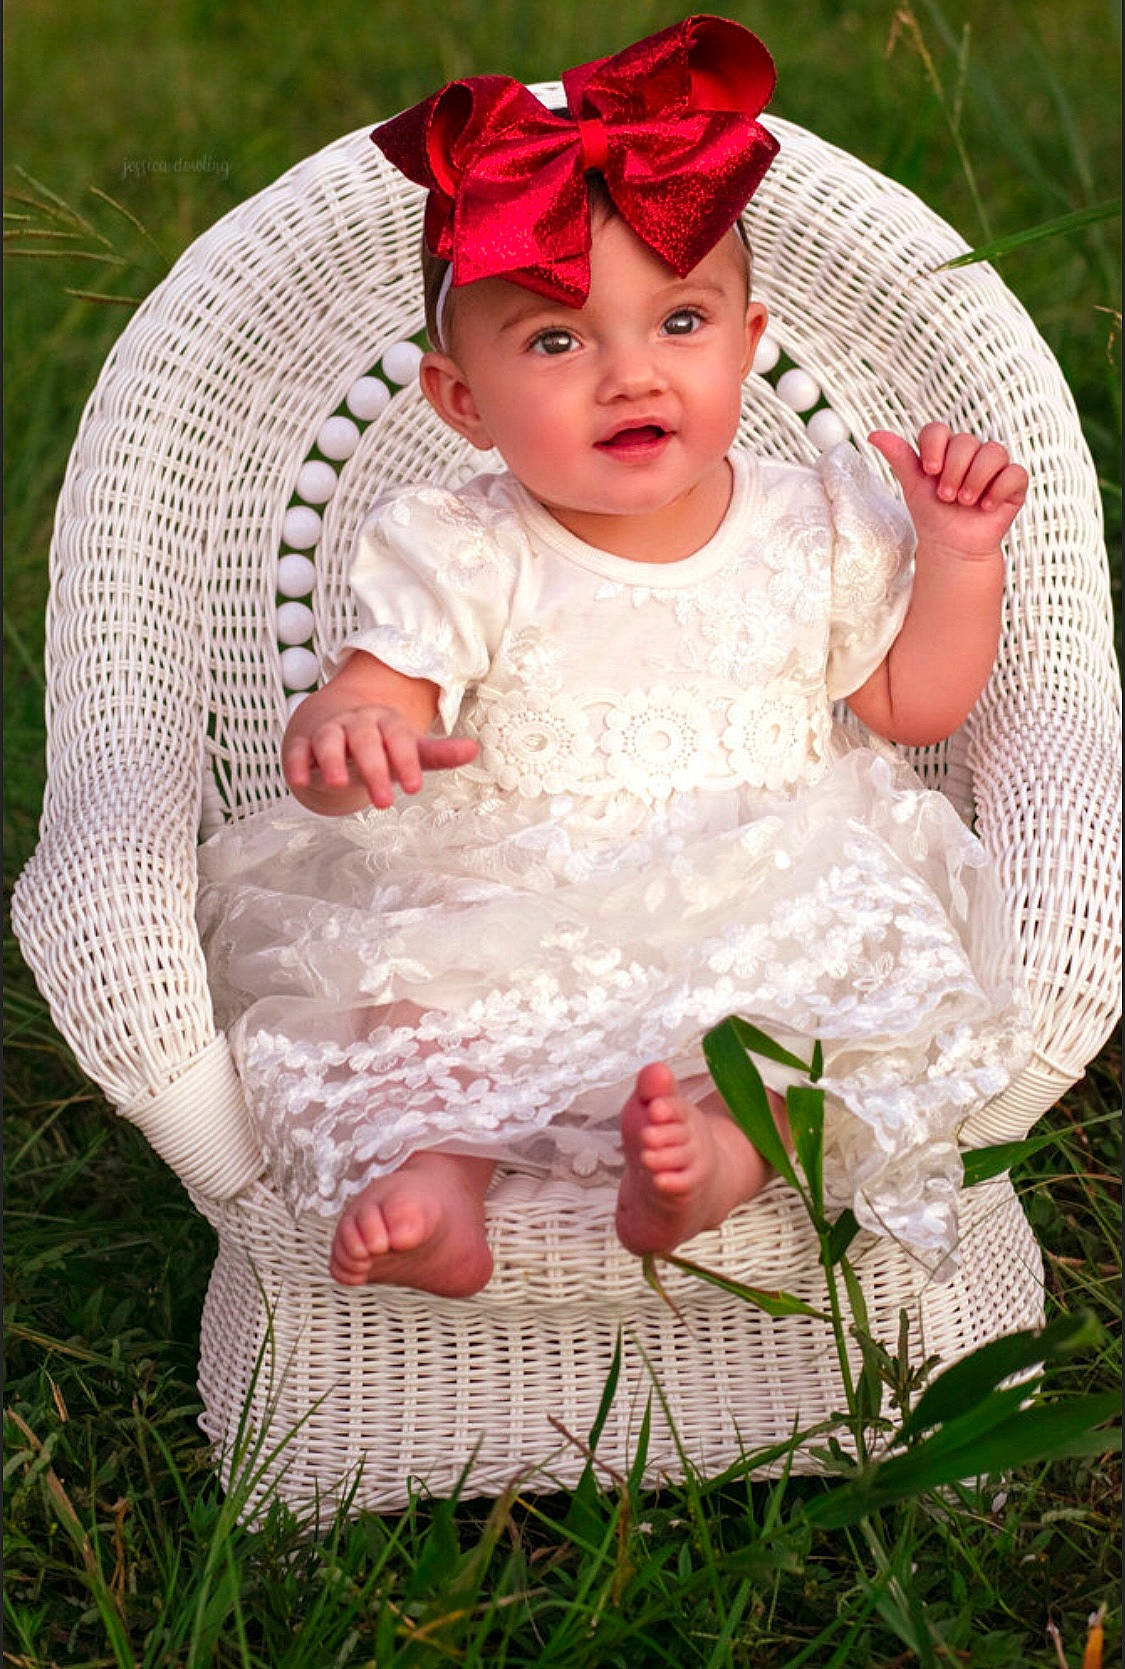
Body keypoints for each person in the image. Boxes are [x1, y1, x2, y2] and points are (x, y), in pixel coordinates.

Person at [197, 16, 1031, 1297]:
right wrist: (343, 737)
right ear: (461, 402)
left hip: (758, 881)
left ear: (749, 344)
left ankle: (715, 1155)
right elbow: (377, 699)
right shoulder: (463, 548)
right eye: (555, 340)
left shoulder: (820, 521)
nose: (629, 374)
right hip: (516, 895)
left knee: (842, 1001)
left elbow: (914, 703)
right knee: (421, 1007)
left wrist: (959, 555)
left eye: (680, 320)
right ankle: (432, 1177)